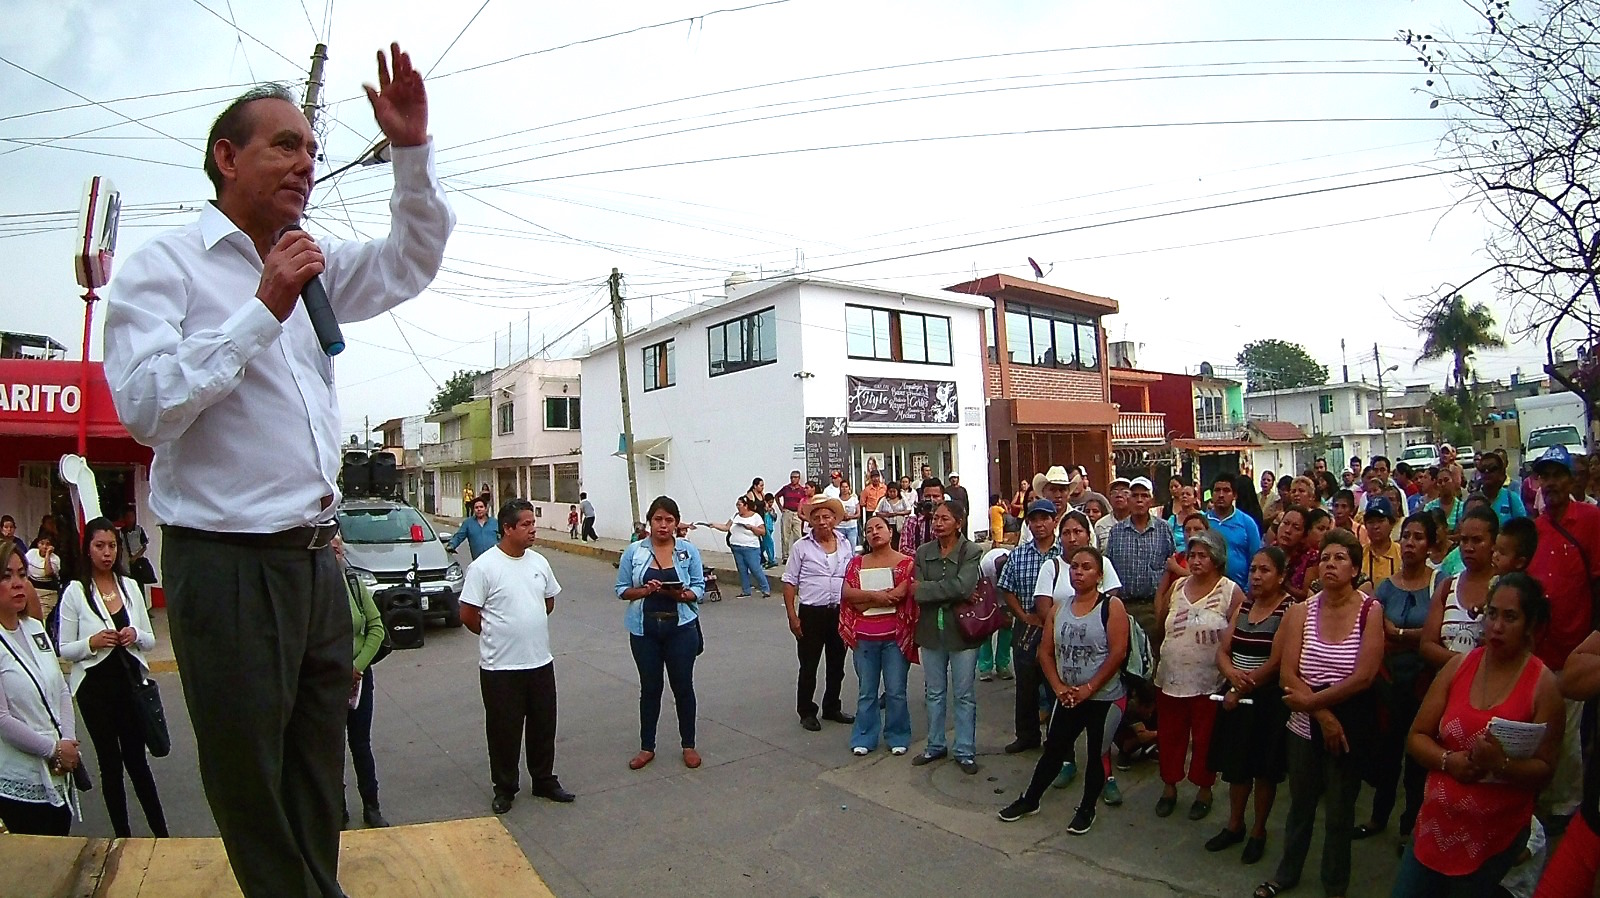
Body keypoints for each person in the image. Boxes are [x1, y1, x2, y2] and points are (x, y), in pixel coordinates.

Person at [101, 47, 451, 898]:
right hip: (224, 563)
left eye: (311, 151)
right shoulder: (167, 267)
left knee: (313, 763)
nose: (305, 164)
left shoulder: (311, 256)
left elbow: (410, 259)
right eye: (284, 146)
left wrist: (410, 150)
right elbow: (146, 406)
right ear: (227, 155)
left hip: (315, 559)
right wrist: (261, 310)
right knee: (249, 779)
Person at [1395, 573, 1563, 896]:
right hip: (1433, 827)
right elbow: (1417, 737)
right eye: (1492, 614)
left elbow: (1545, 770)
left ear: (1530, 626)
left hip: (1492, 841)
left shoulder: (1543, 687)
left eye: (1510, 617)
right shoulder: (1458, 667)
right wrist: (1448, 761)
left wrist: (1501, 764)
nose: (1497, 626)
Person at [1255, 528, 1385, 898]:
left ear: (1356, 568)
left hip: (1349, 724)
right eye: (1325, 558)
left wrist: (1315, 705)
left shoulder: (1369, 611)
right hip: (1304, 726)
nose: (1330, 565)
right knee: (1301, 805)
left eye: (1340, 558)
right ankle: (1286, 874)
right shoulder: (1301, 611)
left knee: (1341, 811)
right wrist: (1320, 715)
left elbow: (1364, 676)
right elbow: (1287, 673)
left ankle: (1334, 885)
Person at [998, 546, 1130, 834]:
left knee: (1097, 754)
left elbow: (1117, 653)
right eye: (1074, 567)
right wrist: (1058, 688)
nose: (1078, 572)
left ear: (1099, 574)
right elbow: (1045, 653)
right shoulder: (1060, 608)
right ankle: (1030, 800)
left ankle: (1086, 809)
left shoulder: (1111, 607)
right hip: (1068, 696)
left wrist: (1090, 687)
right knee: (1054, 750)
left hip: (1104, 697)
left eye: (1086, 567)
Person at [459, 500, 573, 813]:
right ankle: (505, 787)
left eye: (532, 523)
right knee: (503, 730)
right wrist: (497, 634)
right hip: (500, 668)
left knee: (543, 725)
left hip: (539, 662)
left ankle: (544, 780)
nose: (532, 529)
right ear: (507, 529)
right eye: (525, 524)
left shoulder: (539, 563)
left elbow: (548, 602)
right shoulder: (484, 567)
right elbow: (468, 614)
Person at [57, 517, 166, 838]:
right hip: (95, 690)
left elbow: (149, 639)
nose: (107, 553)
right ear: (88, 549)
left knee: (138, 762)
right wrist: (91, 642)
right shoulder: (76, 592)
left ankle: (162, 834)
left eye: (112, 546)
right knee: (111, 765)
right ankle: (123, 836)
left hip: (130, 686)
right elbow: (65, 647)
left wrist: (134, 634)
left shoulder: (129, 587)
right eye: (99, 546)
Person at [1525, 445, 1600, 822]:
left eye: (1558, 474)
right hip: (1539, 653)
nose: (1551, 482)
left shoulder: (1591, 520)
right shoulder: (1533, 530)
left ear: (1572, 479)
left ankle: (1568, 809)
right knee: (1542, 732)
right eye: (1545, 475)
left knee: (1571, 739)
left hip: (1577, 650)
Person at [1356, 512, 1438, 844]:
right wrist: (1402, 635)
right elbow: (1373, 629)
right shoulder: (1387, 587)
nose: (1410, 543)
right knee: (1386, 755)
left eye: (1418, 537)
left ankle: (1410, 827)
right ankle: (1378, 817)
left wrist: (1400, 632)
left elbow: (1434, 635)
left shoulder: (1440, 583)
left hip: (1424, 682)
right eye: (1406, 537)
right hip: (1390, 683)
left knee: (1417, 760)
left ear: (1430, 544)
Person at [1206, 547, 1291, 863]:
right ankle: (1234, 824)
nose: (1256, 576)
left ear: (1281, 575)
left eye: (1265, 570)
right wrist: (1231, 677)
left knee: (1264, 770)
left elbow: (1277, 661)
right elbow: (1223, 651)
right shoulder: (1243, 607)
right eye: (1253, 569)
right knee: (1237, 768)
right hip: (1236, 698)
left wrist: (1243, 684)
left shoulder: (1289, 611)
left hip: (1266, 702)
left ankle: (1258, 831)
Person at [1152, 529, 1240, 821]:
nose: (1196, 561)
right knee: (1170, 736)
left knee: (1205, 739)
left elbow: (1239, 634)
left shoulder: (1230, 591)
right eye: (1192, 555)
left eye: (1203, 555)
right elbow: (1160, 618)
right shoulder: (1178, 587)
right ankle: (1169, 787)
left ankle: (1204, 790)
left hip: (1209, 681)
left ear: (1217, 559)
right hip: (1171, 676)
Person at [615, 497, 706, 771]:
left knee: (683, 688)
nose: (663, 525)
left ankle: (688, 745)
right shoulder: (634, 552)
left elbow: (700, 587)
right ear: (649, 521)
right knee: (650, 689)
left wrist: (683, 595)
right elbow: (621, 589)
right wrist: (645, 590)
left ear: (676, 523)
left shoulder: (688, 551)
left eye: (669, 520)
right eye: (658, 519)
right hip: (645, 631)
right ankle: (647, 747)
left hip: (681, 629)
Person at [0, 542, 80, 835]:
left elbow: (60, 689)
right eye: (6, 576)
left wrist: (68, 743)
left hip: (59, 774)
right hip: (20, 781)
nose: (18, 584)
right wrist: (53, 749)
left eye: (21, 574)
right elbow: (2, 720)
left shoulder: (34, 629)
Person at [911, 499, 985, 774]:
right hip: (931, 630)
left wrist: (932, 589)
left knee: (964, 693)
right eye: (935, 519)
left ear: (959, 522)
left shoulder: (972, 550)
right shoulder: (923, 552)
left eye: (944, 518)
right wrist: (949, 591)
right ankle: (935, 745)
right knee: (934, 692)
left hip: (963, 631)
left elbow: (964, 586)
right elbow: (916, 591)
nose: (938, 523)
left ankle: (965, 750)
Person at [840, 515, 918, 756]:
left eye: (879, 527)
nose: (874, 532)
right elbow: (847, 593)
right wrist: (876, 597)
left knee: (895, 691)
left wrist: (869, 596)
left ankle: (897, 735)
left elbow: (900, 594)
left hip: (895, 637)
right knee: (866, 692)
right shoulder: (856, 563)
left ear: (890, 532)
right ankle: (864, 736)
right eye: (869, 529)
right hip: (864, 637)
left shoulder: (907, 563)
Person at [997, 499, 1064, 751]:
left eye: (1044, 519)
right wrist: (1022, 616)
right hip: (1027, 625)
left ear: (1054, 521)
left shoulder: (1065, 553)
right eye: (1034, 520)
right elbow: (1006, 588)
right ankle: (1027, 736)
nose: (1039, 524)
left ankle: (1057, 740)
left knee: (1055, 683)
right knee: (1025, 686)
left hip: (1058, 625)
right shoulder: (1019, 554)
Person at [782, 496, 855, 732]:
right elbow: (790, 582)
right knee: (809, 665)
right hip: (811, 613)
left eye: (827, 516)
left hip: (839, 612)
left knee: (837, 664)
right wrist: (793, 617)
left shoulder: (845, 543)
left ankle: (832, 706)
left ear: (835, 519)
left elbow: (852, 576)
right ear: (810, 520)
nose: (822, 521)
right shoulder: (801, 547)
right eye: (817, 517)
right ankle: (806, 711)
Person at [333, 536, 388, 829]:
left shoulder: (353, 583)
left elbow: (376, 627)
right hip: (326, 682)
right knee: (331, 747)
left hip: (358, 680)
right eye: (329, 545)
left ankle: (372, 806)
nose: (336, 549)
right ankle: (336, 810)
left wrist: (357, 666)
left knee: (360, 743)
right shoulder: (310, 589)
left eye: (339, 544)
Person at [1420, 506, 1499, 669]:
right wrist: (1465, 664)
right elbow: (1427, 645)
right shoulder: (1447, 586)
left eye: (1477, 540)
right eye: (1463, 540)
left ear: (1494, 543)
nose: (1468, 547)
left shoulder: (1504, 587)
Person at [1103, 477, 1176, 607]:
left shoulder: (1164, 529)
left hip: (1155, 604)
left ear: (1151, 501)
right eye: (1135, 495)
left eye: (1145, 496)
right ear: (1128, 500)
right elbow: (1109, 568)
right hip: (1124, 605)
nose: (1139, 500)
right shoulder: (1116, 532)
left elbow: (1172, 565)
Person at [706, 496, 769, 598]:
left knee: (755, 568)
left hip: (750, 547)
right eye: (737, 505)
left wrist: (751, 527)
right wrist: (715, 525)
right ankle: (746, 590)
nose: (738, 507)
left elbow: (762, 531)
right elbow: (727, 527)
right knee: (742, 569)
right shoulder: (736, 516)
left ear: (746, 506)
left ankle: (765, 588)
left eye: (739, 505)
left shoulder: (755, 517)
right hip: (736, 547)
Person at [1208, 473, 1264, 589]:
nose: (1221, 495)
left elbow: (1256, 558)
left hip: (1240, 591)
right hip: (1207, 591)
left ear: (1234, 495)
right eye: (1217, 490)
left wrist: (1249, 590)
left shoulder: (1247, 523)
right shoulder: (1203, 522)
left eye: (1226, 490)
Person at [977, 546, 1014, 681]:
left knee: (1006, 629)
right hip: (988, 591)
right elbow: (983, 588)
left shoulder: (1013, 563)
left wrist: (1008, 610)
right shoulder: (986, 566)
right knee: (986, 630)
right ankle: (985, 667)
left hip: (1007, 593)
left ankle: (1002, 665)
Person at [1359, 497, 1403, 590]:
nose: (1375, 526)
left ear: (1391, 523)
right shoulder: (1359, 555)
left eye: (1380, 521)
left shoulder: (1402, 553)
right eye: (1371, 522)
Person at [1476, 452, 1527, 524]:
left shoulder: (1511, 498)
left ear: (1501, 472)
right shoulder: (1474, 500)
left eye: (1492, 468)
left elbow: (1523, 527)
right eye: (1482, 469)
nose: (1486, 472)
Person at [899, 479, 944, 554]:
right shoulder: (911, 521)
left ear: (943, 498)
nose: (931, 500)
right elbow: (903, 549)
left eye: (936, 496)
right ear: (922, 497)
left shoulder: (948, 522)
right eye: (927, 496)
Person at [775, 471, 808, 563]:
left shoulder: (802, 490)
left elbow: (806, 500)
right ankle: (785, 556)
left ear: (799, 478)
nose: (793, 479)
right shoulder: (786, 488)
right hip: (787, 512)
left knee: (798, 536)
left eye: (795, 477)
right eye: (792, 477)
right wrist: (781, 508)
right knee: (785, 535)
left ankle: (797, 555)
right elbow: (776, 496)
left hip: (797, 514)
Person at [24, 536, 60, 620]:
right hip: (32, 590)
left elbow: (48, 572)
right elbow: (24, 566)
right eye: (42, 543)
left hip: (47, 594)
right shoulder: (32, 553)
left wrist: (47, 555)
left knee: (41, 618)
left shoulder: (55, 559)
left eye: (48, 544)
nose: (44, 547)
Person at [1095, 478, 1133, 546]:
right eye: (1114, 492)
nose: (1119, 495)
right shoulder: (1101, 525)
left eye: (1125, 492)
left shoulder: (1138, 522)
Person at [837, 479, 861, 548]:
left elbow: (858, 514)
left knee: (852, 547)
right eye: (843, 487)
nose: (844, 489)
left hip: (851, 527)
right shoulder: (837, 500)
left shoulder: (854, 499)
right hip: (839, 527)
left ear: (849, 488)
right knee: (841, 548)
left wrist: (850, 517)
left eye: (846, 487)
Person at [760, 494, 779, 568]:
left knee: (765, 544)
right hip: (765, 528)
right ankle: (771, 559)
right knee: (769, 543)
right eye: (770, 502)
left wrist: (771, 512)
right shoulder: (763, 510)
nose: (771, 504)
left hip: (770, 528)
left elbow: (774, 518)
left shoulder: (772, 509)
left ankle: (762, 557)